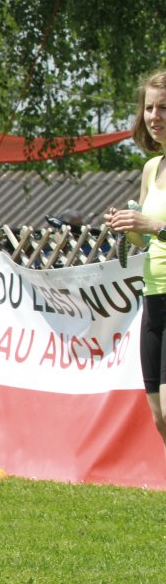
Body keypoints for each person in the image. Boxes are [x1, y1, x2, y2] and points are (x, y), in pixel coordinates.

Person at [108, 69, 166, 451]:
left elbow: (156, 228)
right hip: (154, 296)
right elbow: (142, 238)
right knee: (158, 415)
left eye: (163, 108)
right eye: (149, 108)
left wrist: (153, 225)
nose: (154, 116)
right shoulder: (151, 168)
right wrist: (127, 225)